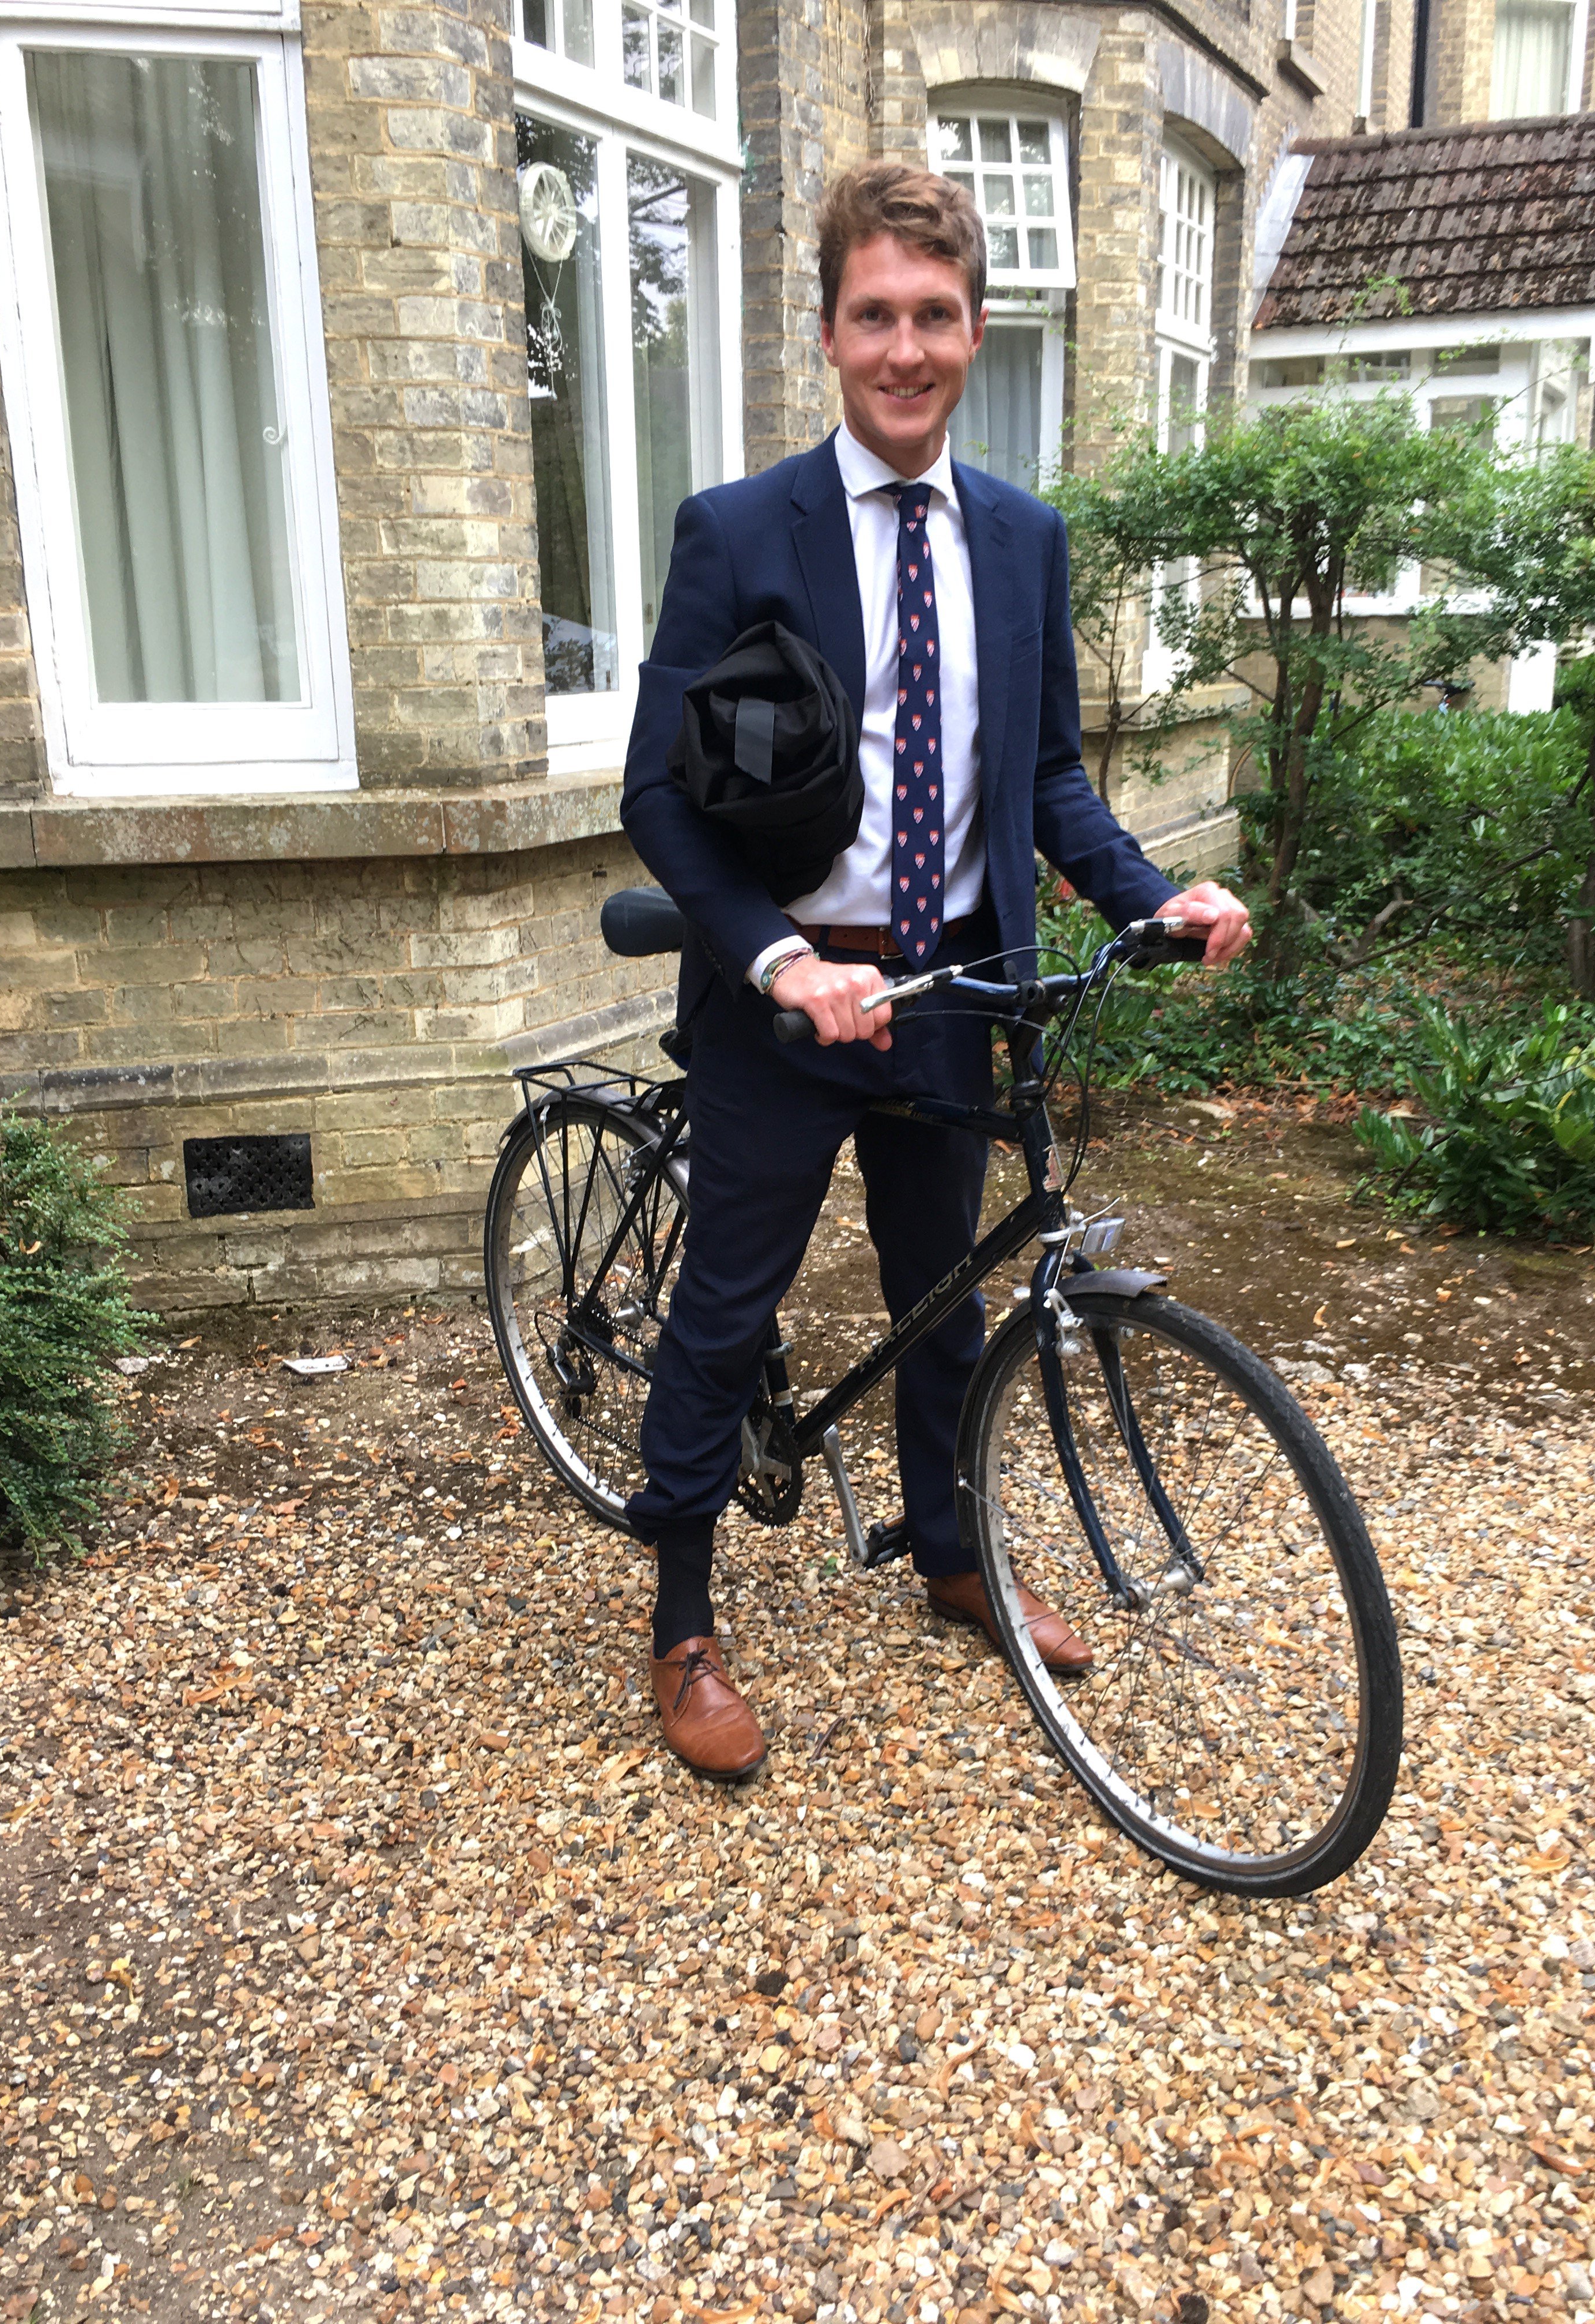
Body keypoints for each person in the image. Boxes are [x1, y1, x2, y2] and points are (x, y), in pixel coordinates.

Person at [620, 162, 1251, 1780]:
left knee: (942, 1301)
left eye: (937, 316)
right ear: (829, 332)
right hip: (786, 1003)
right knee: (723, 1312)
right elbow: (657, 794)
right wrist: (767, 958)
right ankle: (684, 1620)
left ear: (977, 331)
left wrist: (1148, 893)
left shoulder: (1025, 540)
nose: (905, 348)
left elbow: (1041, 777)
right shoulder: (740, 530)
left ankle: (953, 1549)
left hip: (950, 997)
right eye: (875, 315)